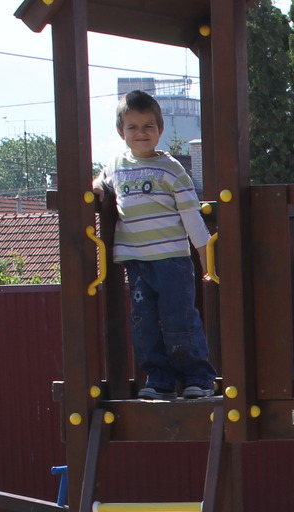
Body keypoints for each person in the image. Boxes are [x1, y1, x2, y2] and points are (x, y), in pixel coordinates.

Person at [106, 89, 217, 400]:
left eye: (148, 126)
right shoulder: (116, 165)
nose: (141, 133)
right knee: (144, 323)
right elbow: (102, 181)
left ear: (160, 130)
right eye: (133, 127)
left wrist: (205, 255)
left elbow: (191, 215)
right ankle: (159, 379)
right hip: (137, 262)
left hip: (172, 260)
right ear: (121, 131)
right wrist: (97, 189)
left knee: (178, 318)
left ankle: (198, 377)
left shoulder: (171, 169)